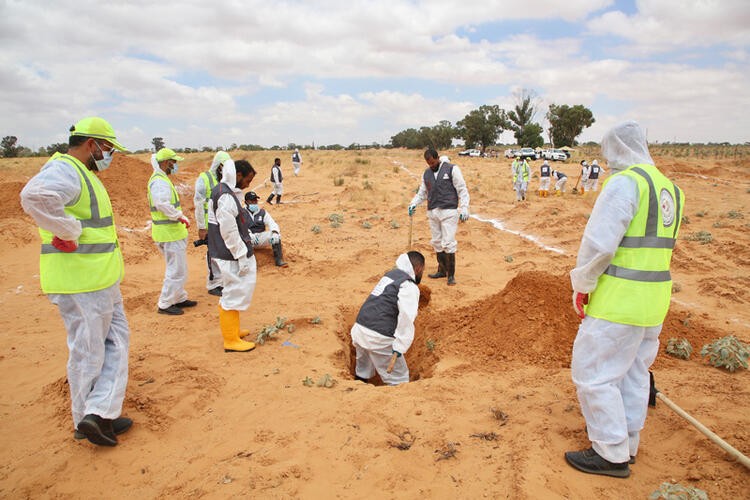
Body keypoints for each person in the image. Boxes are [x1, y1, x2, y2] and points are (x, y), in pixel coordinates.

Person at [565, 121, 685, 478]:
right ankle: (628, 443)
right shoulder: (670, 189)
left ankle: (610, 452)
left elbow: (600, 245)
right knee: (634, 373)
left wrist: (582, 284)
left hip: (619, 301)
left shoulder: (625, 183)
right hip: (654, 302)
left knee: (594, 375)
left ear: (617, 148)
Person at [20, 117, 132, 447]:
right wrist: (67, 230)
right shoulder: (66, 169)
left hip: (100, 277)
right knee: (88, 351)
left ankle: (99, 413)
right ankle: (87, 418)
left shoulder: (84, 174)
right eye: (108, 148)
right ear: (91, 145)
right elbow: (36, 196)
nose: (109, 155)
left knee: (115, 344)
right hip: (81, 280)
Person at [350, 252, 425, 385]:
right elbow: (406, 317)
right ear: (418, 269)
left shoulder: (389, 276)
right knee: (399, 379)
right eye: (422, 270)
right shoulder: (409, 286)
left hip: (359, 329)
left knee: (363, 368)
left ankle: (357, 390)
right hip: (378, 338)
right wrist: (399, 346)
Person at [207, 158, 258, 352]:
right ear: (238, 175)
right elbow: (228, 230)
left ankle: (233, 330)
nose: (248, 185)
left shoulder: (225, 192)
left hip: (228, 252)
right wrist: (241, 255)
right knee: (233, 292)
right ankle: (230, 340)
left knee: (234, 291)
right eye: (248, 180)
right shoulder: (225, 196)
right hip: (230, 254)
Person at [408, 149, 470, 286]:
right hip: (433, 212)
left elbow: (462, 189)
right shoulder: (426, 174)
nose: (431, 165)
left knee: (448, 242)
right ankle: (442, 270)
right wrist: (413, 203)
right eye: (428, 163)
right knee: (436, 242)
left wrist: (464, 208)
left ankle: (451, 275)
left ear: (438, 158)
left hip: (449, 211)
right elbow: (422, 193)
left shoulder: (452, 169)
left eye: (432, 162)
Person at [148, 148, 197, 315]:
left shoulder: (162, 179)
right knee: (175, 270)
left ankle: (179, 297)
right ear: (165, 162)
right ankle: (166, 303)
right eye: (173, 162)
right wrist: (179, 216)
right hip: (168, 233)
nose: (175, 165)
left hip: (172, 233)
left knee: (180, 268)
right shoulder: (159, 181)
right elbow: (161, 203)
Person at [194, 151, 230, 297]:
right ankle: (213, 283)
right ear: (219, 165)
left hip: (222, 224)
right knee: (213, 254)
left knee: (222, 252)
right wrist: (201, 227)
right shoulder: (204, 179)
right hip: (210, 225)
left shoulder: (224, 179)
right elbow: (198, 203)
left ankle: (221, 281)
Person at [244, 191, 288, 267]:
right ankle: (248, 264)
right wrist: (248, 235)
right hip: (248, 240)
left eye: (255, 200)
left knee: (276, 237)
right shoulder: (242, 213)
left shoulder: (262, 212)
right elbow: (240, 227)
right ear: (246, 202)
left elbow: (272, 223)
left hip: (259, 239)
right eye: (252, 201)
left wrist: (274, 232)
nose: (254, 202)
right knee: (239, 237)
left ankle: (279, 260)